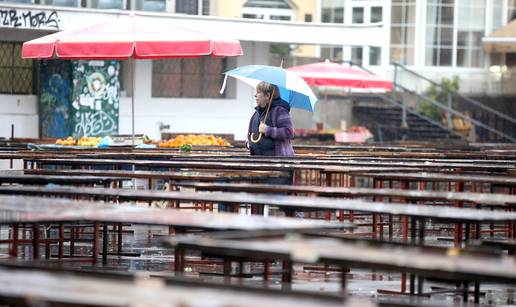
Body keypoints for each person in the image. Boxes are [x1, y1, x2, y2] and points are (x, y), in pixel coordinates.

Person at [247, 81, 295, 157]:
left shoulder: (280, 111)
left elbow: (288, 132)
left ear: (268, 95)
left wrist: (267, 130)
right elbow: (251, 134)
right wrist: (249, 143)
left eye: (258, 92)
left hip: (278, 162)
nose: (255, 95)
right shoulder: (256, 114)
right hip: (258, 160)